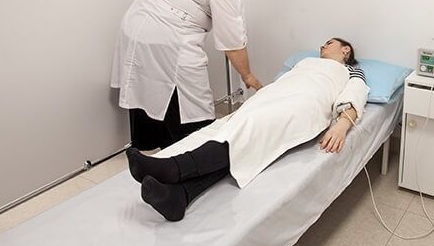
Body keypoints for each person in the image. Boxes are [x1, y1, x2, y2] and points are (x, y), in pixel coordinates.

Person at [125, 38, 370, 221]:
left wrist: (342, 125)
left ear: (345, 50)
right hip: (276, 94)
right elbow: (285, 81)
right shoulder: (306, 62)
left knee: (250, 127)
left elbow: (356, 92)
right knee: (238, 130)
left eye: (329, 43)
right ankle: (179, 196)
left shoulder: (351, 71)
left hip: (306, 101)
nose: (322, 46)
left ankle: (173, 168)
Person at [110, 0, 267, 151]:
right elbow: (232, 41)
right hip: (170, 41)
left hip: (135, 28)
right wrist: (248, 77)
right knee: (193, 115)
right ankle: (188, 158)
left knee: (146, 94)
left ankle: (149, 154)